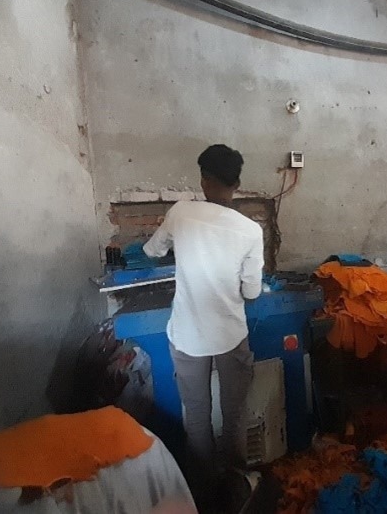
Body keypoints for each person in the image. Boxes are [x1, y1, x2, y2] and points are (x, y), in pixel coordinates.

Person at [143, 145, 263, 511]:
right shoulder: (250, 230)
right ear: (237, 184)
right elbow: (252, 291)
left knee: (196, 414)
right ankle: (235, 486)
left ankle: (203, 493)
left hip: (188, 336)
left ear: (203, 179)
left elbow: (151, 252)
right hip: (230, 336)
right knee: (235, 411)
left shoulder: (180, 213)